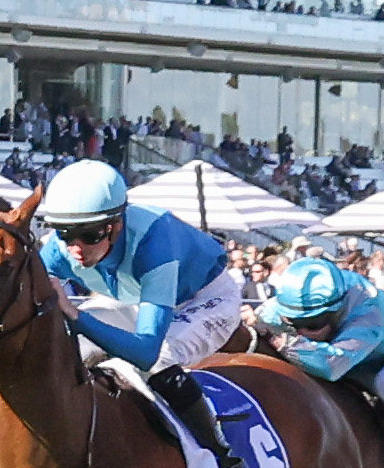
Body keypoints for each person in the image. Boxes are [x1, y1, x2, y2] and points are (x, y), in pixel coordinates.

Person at [27, 156, 242, 382]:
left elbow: (146, 353)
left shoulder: (154, 246)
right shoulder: (58, 249)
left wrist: (74, 314)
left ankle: (204, 419)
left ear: (117, 225)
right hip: (136, 300)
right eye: (65, 232)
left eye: (89, 234)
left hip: (205, 300)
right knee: (69, 345)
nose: (76, 247)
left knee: (159, 362)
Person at [254, 246, 384, 468]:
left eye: (315, 323)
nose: (303, 333)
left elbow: (330, 366)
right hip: (357, 363)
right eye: (293, 324)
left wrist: (280, 339)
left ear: (338, 310)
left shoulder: (367, 308)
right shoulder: (279, 307)